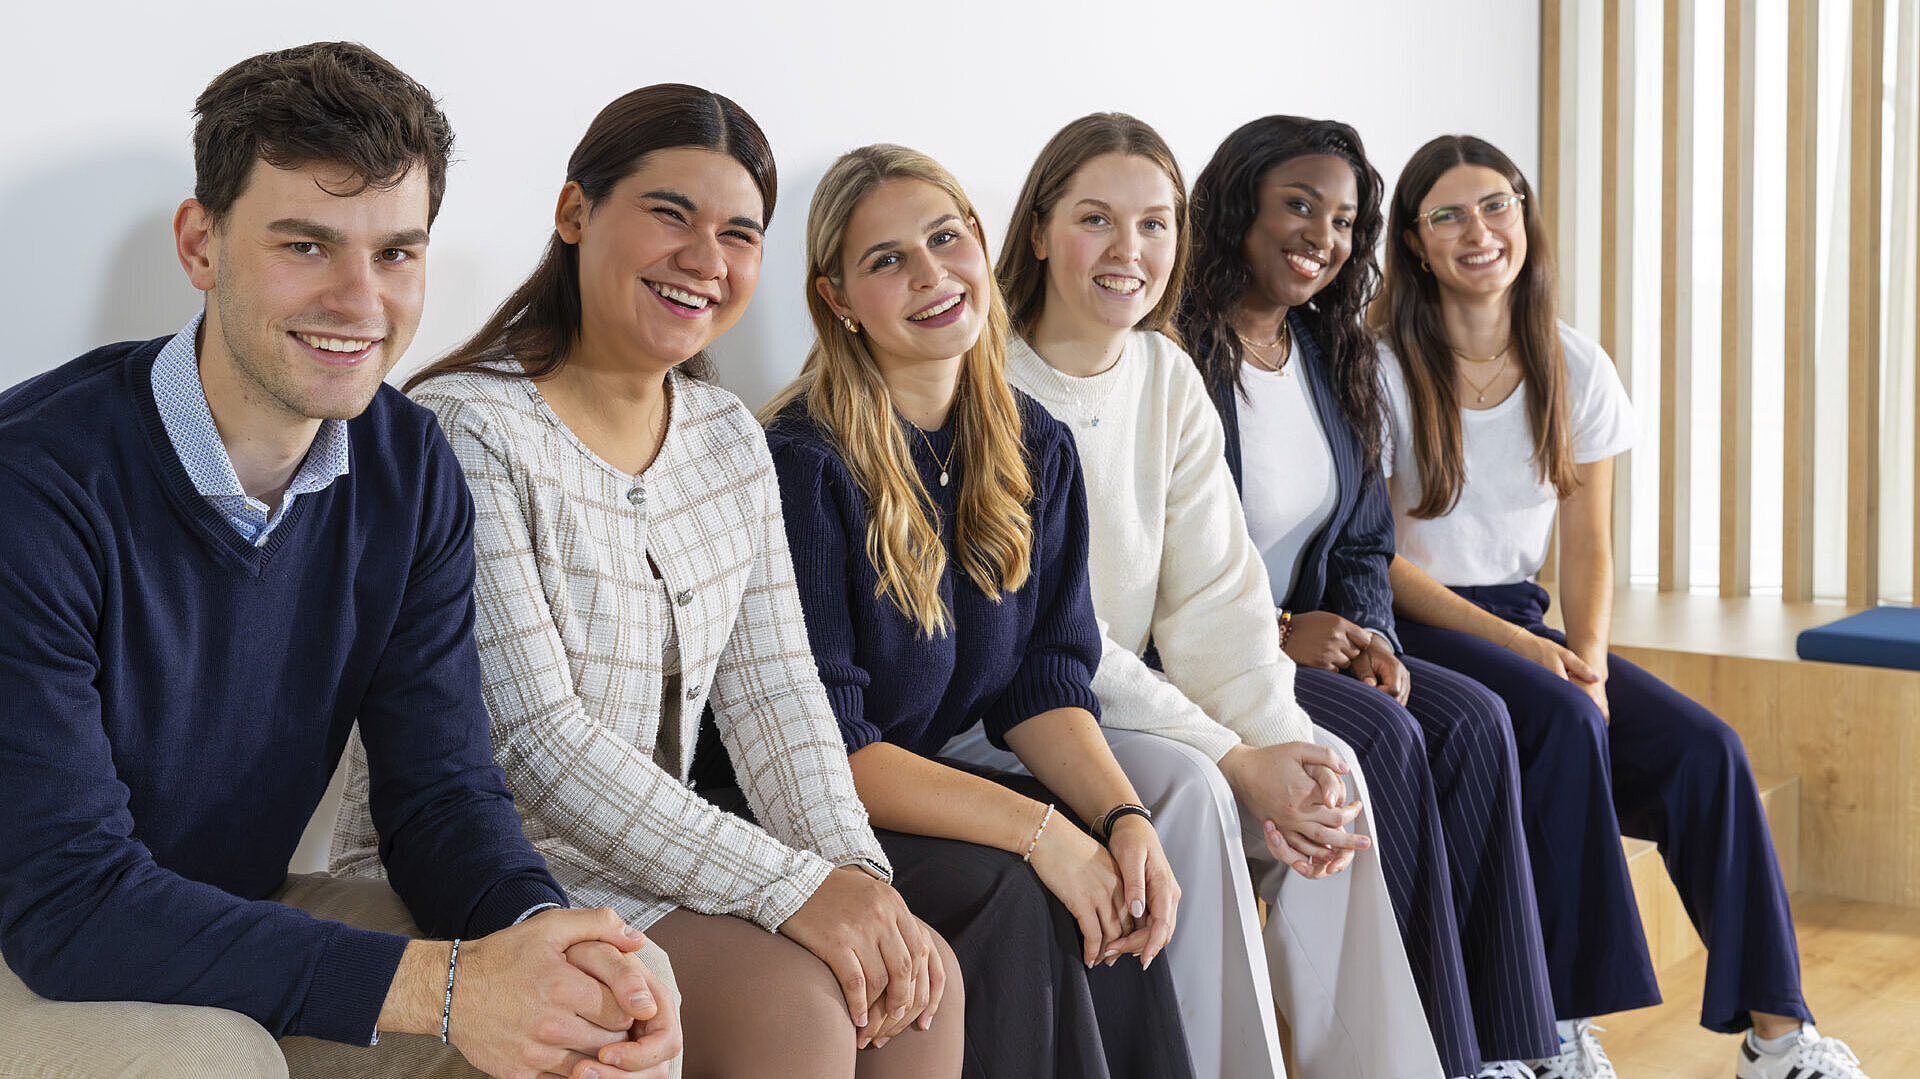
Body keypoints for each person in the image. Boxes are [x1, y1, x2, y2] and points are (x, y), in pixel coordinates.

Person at [0, 42, 678, 1079]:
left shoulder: (408, 467)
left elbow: (441, 795)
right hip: (34, 934)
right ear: (201, 244)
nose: (360, 301)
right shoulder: (35, 480)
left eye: (396, 253)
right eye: (306, 245)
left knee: (600, 1010)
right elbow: (68, 898)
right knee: (213, 1058)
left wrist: (547, 934)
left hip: (220, 907)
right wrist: (450, 986)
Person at [327, 84, 962, 1079]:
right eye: (670, 213)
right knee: (793, 1008)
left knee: (920, 984)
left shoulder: (728, 437)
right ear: (575, 214)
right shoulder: (469, 428)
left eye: (738, 233)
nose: (705, 259)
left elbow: (777, 695)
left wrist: (852, 875)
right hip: (495, 873)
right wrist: (790, 885)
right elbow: (536, 740)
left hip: (662, 857)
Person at [1376, 133, 1874, 1079]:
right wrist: (1532, 655)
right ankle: (1550, 1026)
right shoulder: (1382, 369)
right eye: (1447, 214)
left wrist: (1589, 655)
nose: (1478, 230)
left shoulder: (1574, 363)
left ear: (1524, 216)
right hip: (1424, 626)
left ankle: (1780, 1037)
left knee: (1708, 752)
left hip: (1530, 624)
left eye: (1496, 205)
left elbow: (1590, 542)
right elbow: (1385, 566)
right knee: (1564, 719)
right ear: (1415, 241)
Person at [994, 111, 1441, 1079]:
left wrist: (1277, 746)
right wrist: (1235, 758)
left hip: (1130, 699)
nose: (1130, 251)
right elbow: (1056, 640)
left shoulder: (1164, 373)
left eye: (1155, 224)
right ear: (1037, 228)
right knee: (1196, 788)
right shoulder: (990, 388)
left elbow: (1217, 599)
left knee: (1331, 772)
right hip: (1027, 708)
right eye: (1096, 220)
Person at [756, 142, 1193, 1079]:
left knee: (1110, 884)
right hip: (798, 812)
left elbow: (1043, 684)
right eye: (886, 260)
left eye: (944, 239)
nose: (930, 274)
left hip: (904, 791)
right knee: (1014, 888)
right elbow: (829, 747)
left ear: (982, 247)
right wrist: (1042, 832)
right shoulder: (804, 463)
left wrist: (1119, 817)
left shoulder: (1037, 446)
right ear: (837, 299)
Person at [1181, 115, 1558, 1079]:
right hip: (1204, 657)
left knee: (1474, 719)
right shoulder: (1175, 351)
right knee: (1385, 741)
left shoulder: (1328, 348)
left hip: (1318, 638)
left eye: (1345, 219)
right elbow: (1159, 563)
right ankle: (1431, 1055)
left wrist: (1376, 631)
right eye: (1298, 204)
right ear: (1238, 207)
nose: (1322, 235)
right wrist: (1271, 627)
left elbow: (1360, 537)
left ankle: (1509, 1048)